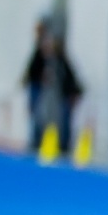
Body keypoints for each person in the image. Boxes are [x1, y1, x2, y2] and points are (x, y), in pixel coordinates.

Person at [22, 21, 83, 155]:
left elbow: (70, 78)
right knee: (40, 119)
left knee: (60, 122)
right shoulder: (39, 57)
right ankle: (36, 144)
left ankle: (62, 147)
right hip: (46, 96)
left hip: (58, 97)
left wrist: (75, 92)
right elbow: (31, 74)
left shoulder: (60, 60)